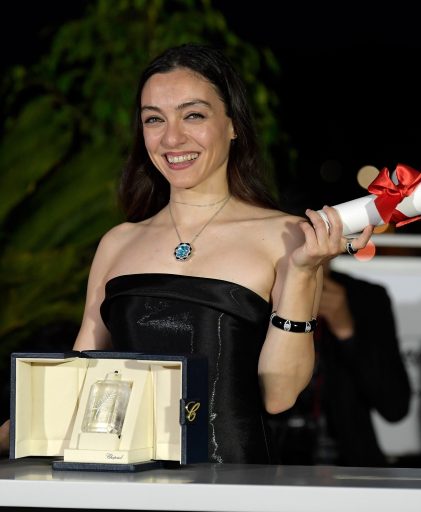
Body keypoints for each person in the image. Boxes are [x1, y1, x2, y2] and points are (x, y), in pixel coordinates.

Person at [68, 43, 374, 464]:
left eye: (193, 115)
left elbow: (279, 395)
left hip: (231, 483)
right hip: (126, 482)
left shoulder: (286, 235)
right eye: (154, 119)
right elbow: (83, 376)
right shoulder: (117, 242)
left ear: (233, 125)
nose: (172, 137)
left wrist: (303, 273)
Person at [269, 263, 411, 467]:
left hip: (347, 465)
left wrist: (346, 330)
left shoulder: (366, 297)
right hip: (270, 463)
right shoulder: (258, 292)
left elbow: (395, 406)